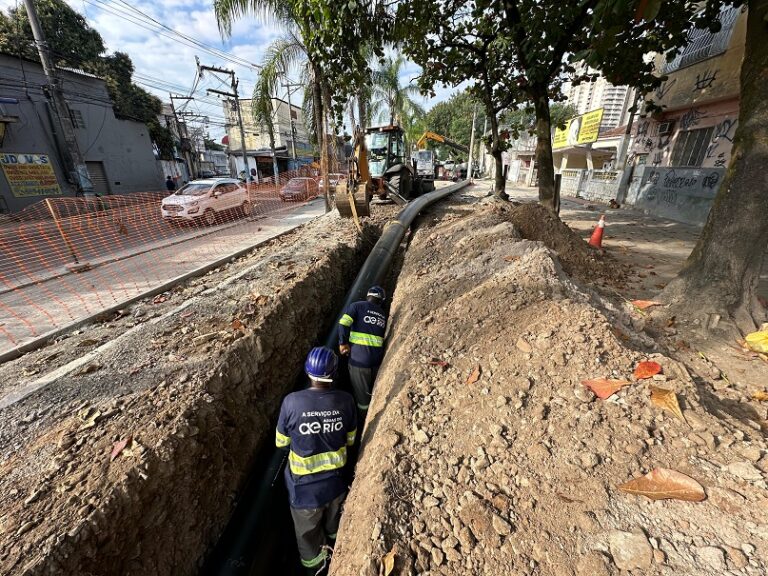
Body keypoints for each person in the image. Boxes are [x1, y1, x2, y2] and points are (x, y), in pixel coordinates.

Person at [276, 347, 357, 575]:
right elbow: (350, 440)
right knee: (334, 525)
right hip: (336, 485)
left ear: (307, 371)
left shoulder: (291, 402)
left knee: (308, 537)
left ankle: (318, 569)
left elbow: (281, 442)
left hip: (304, 492)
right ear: (334, 373)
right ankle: (336, 549)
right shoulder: (346, 400)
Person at [338, 286, 388, 413]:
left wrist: (342, 343)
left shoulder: (356, 306)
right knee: (373, 390)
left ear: (368, 296)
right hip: (377, 361)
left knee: (363, 400)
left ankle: (362, 420)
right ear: (382, 300)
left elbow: (343, 324)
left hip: (359, 362)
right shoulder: (382, 314)